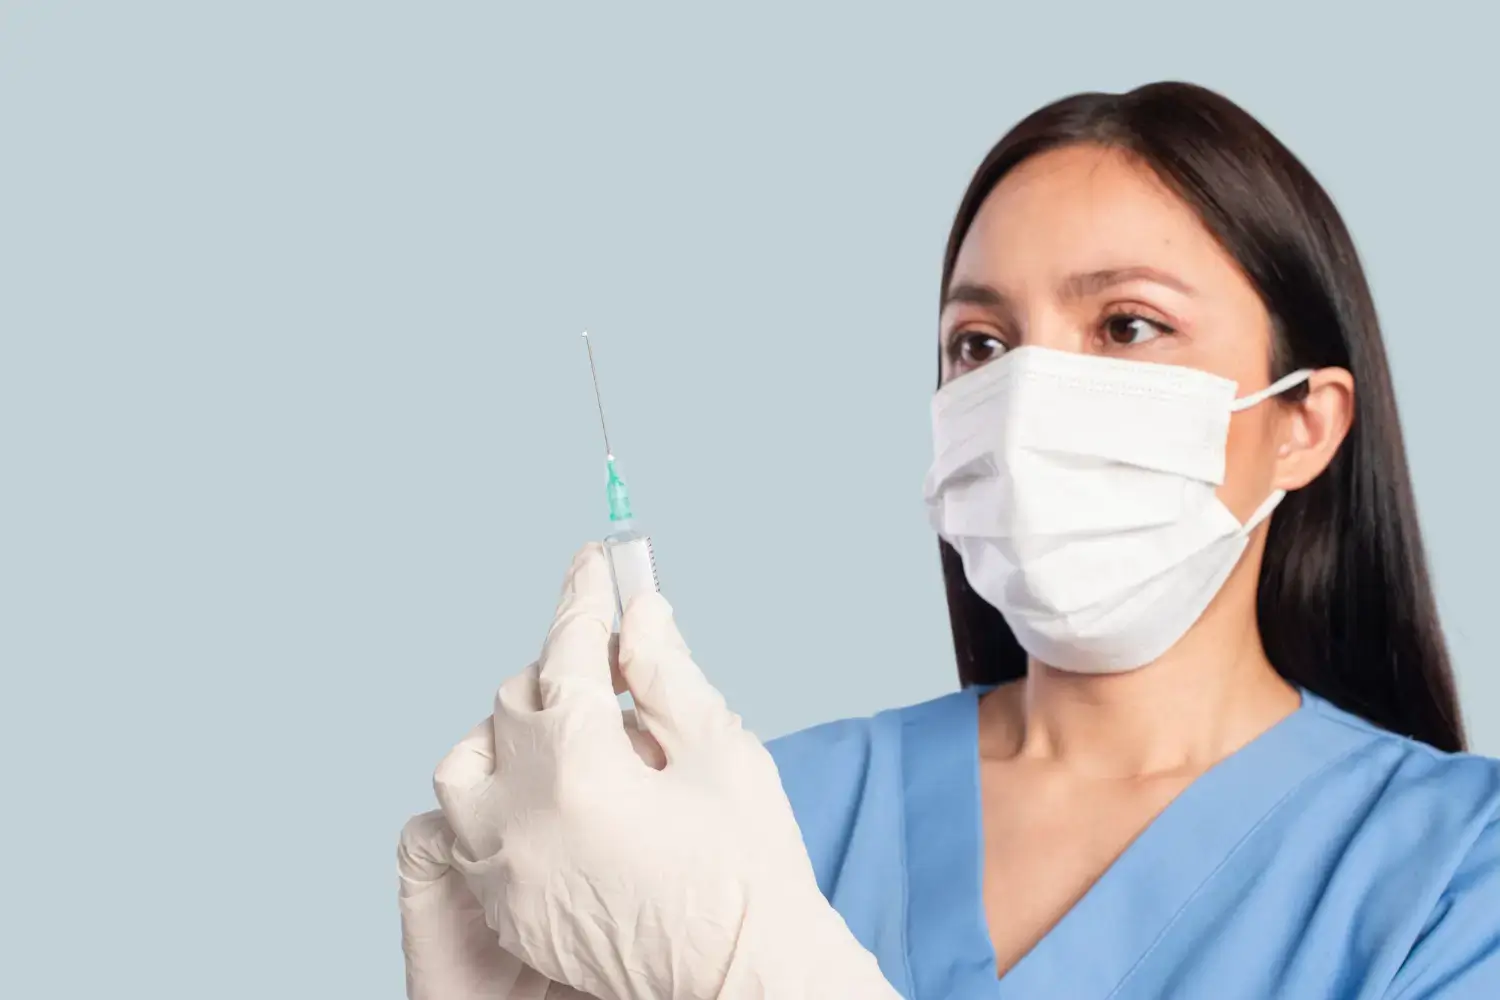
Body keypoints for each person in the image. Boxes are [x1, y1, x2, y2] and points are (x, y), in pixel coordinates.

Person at [398, 81, 1500, 999]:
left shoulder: (1455, 874)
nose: (1025, 397)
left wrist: (760, 969)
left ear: (1304, 423)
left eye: (1126, 325)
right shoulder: (763, 809)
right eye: (980, 345)